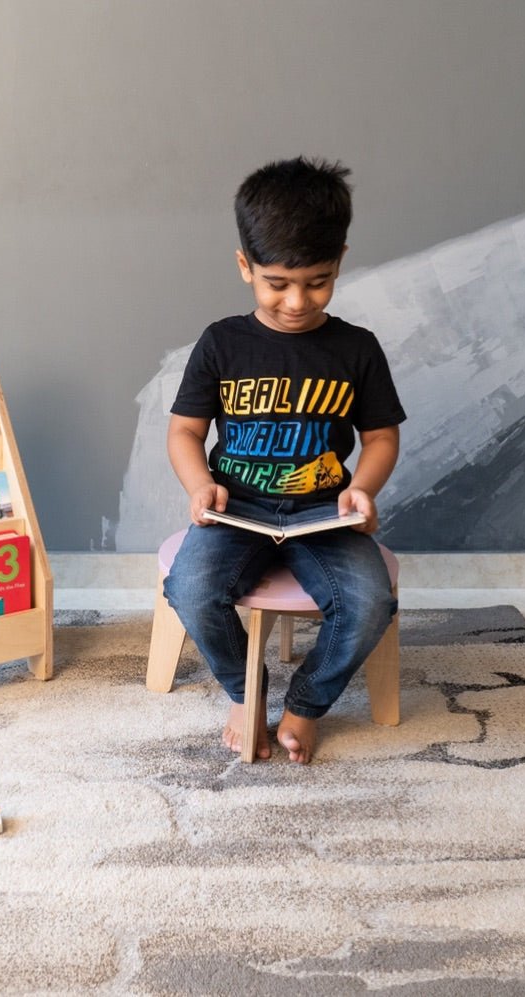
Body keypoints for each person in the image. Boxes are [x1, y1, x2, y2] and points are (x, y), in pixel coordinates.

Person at [163, 156, 406, 764]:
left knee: (371, 600)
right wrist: (199, 487)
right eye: (278, 283)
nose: (297, 300)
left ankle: (304, 705)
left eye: (318, 281)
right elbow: (185, 432)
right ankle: (247, 694)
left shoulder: (357, 349)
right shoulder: (222, 342)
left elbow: (379, 438)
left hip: (324, 511)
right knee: (191, 590)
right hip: (234, 509)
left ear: (340, 261)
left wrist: (363, 492)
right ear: (245, 267)